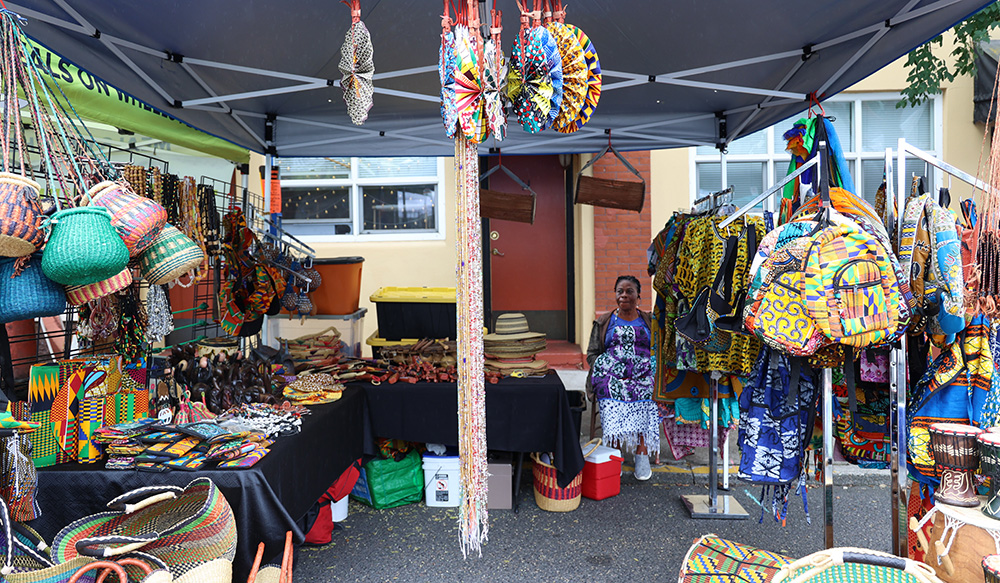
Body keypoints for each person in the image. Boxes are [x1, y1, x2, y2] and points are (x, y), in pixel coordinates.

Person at [586, 275, 660, 481]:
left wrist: (641, 368)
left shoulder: (650, 320)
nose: (624, 295)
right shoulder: (604, 322)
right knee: (607, 388)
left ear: (639, 295)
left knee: (650, 389)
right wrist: (605, 366)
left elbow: (658, 350)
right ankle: (615, 452)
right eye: (620, 291)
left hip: (642, 372)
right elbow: (592, 353)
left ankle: (642, 453)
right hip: (612, 372)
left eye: (629, 291)